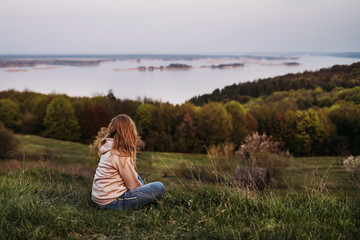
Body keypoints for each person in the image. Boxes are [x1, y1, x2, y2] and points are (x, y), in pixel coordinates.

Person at [91, 114, 165, 211]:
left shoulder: (107, 149)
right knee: (159, 187)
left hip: (98, 198)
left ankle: (146, 198)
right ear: (129, 133)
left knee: (135, 175)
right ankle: (148, 203)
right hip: (112, 203)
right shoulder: (120, 155)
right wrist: (143, 194)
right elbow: (132, 186)